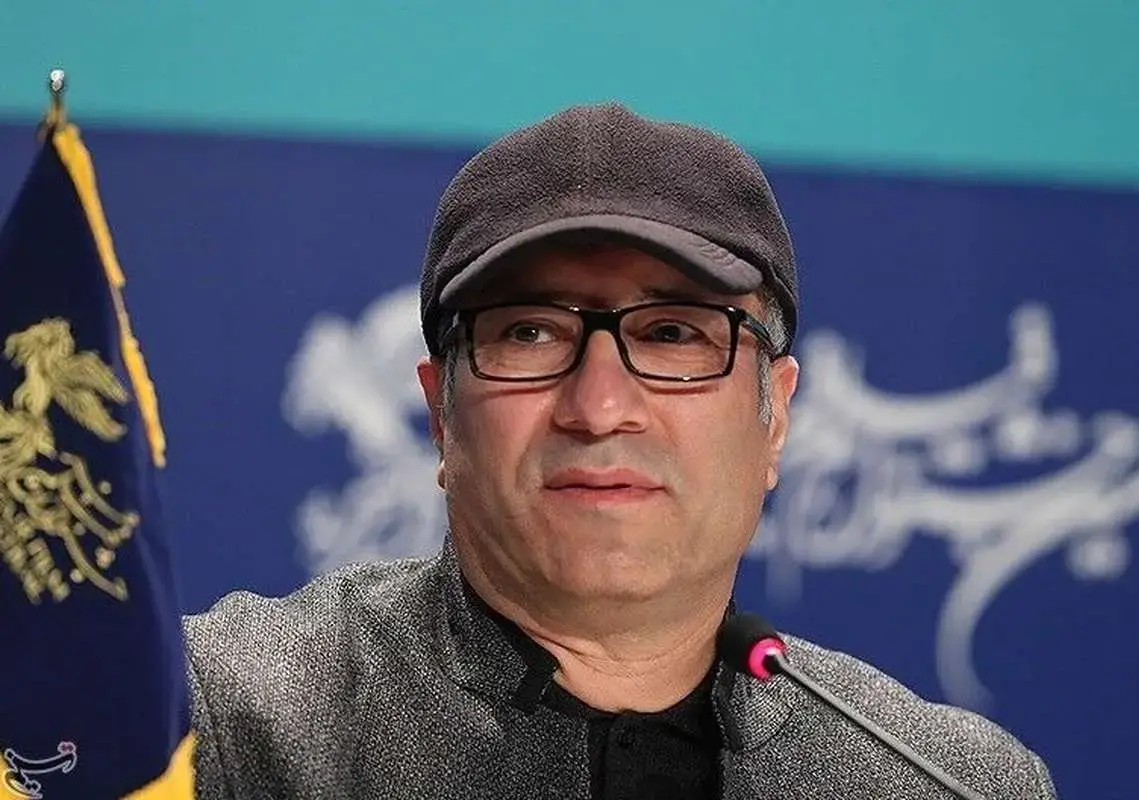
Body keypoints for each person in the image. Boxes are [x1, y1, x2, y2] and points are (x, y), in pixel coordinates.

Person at [182, 103, 1057, 799]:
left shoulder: (940, 783)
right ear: (441, 416)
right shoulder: (213, 721)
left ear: (776, 421)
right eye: (529, 332)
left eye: (674, 333)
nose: (600, 408)